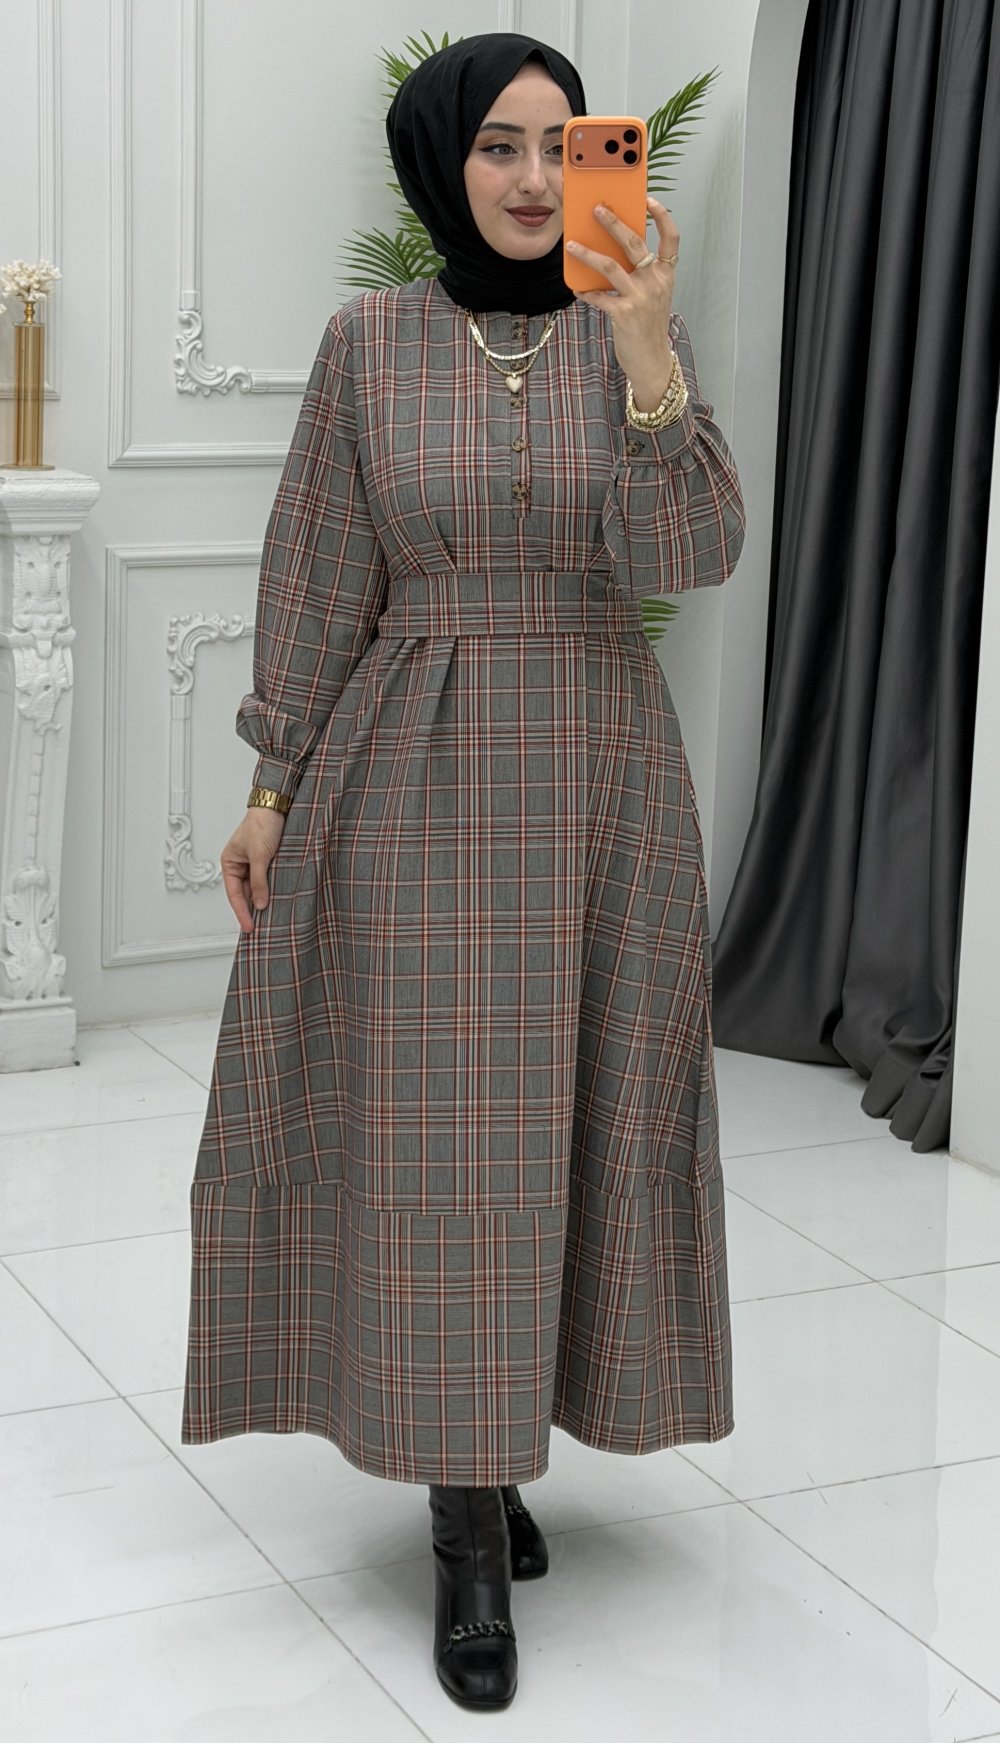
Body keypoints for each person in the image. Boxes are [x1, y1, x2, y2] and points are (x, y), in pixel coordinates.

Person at [180, 31, 745, 1714]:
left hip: (601, 777)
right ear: (443, 158)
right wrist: (272, 786)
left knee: (583, 1114)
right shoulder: (368, 343)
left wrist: (644, 355)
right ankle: (465, 1528)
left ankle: (500, 1443)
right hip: (413, 775)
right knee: (444, 1143)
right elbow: (316, 569)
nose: (531, 177)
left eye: (561, 146)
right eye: (499, 144)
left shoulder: (631, 324)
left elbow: (696, 551)